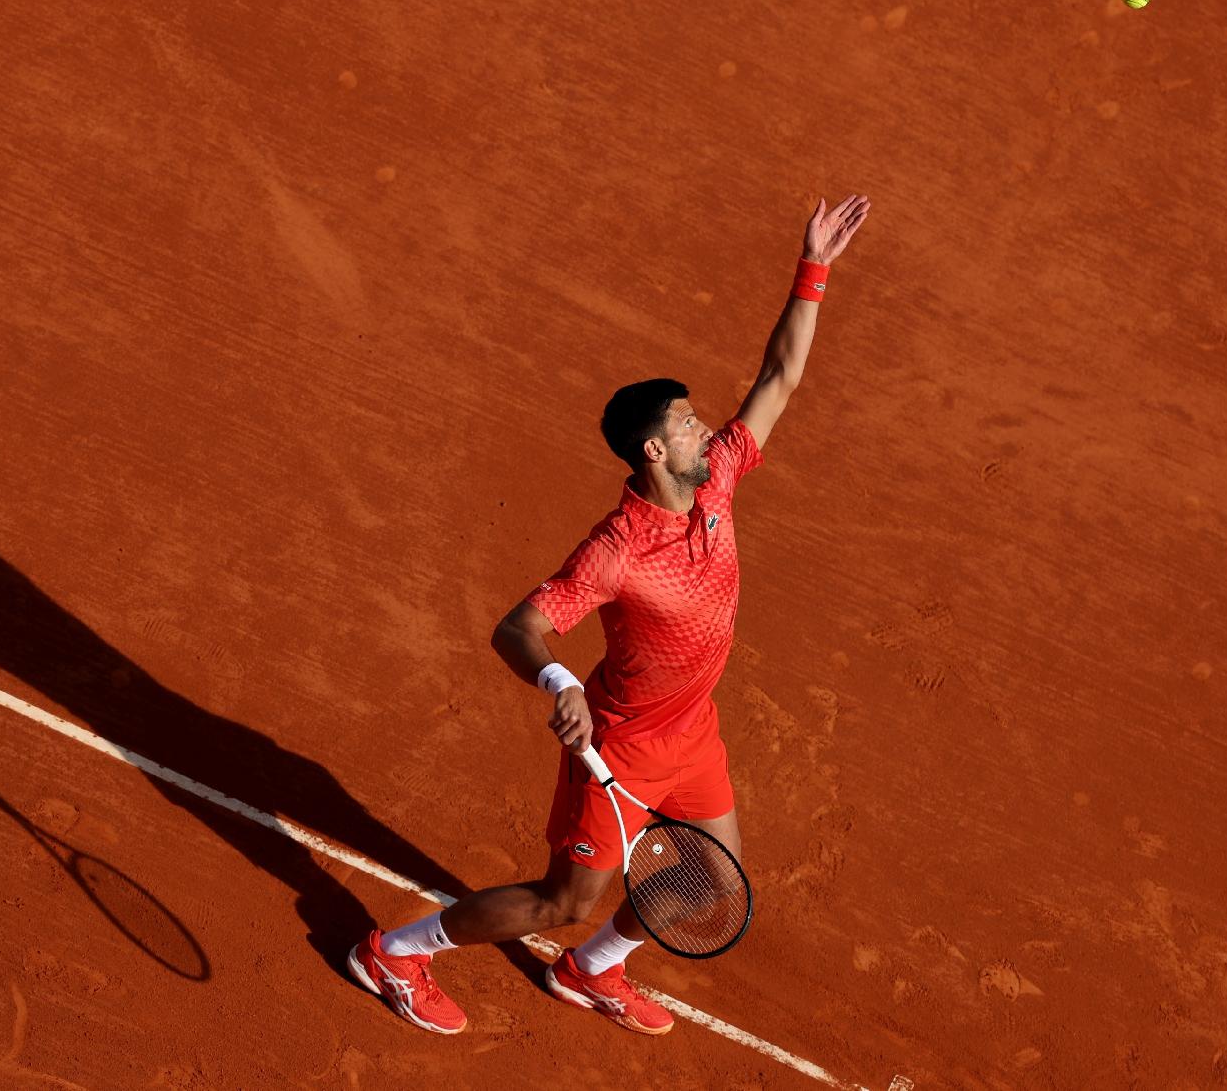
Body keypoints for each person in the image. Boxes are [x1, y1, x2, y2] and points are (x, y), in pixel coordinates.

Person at [348, 194, 874, 1035]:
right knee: (564, 900)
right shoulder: (617, 550)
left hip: (692, 729)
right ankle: (398, 951)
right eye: (690, 425)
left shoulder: (721, 480)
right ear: (654, 451)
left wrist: (813, 269)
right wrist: (562, 682)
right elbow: (517, 627)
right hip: (620, 749)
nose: (710, 432)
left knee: (713, 879)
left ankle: (592, 970)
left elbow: (780, 376)